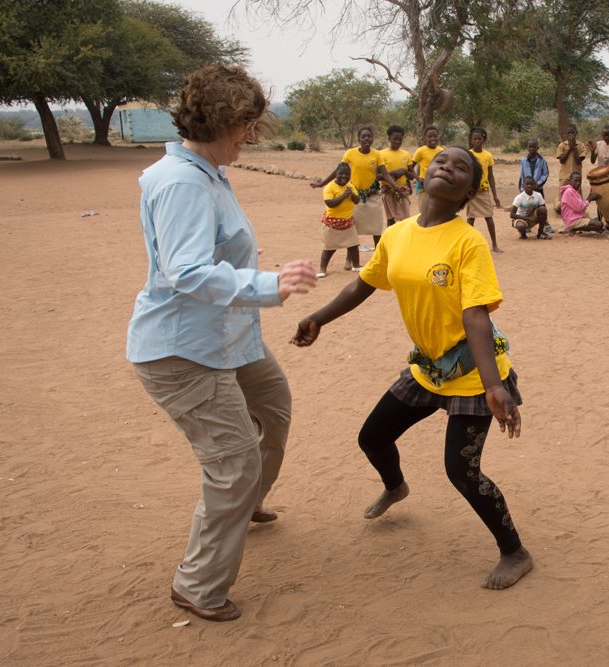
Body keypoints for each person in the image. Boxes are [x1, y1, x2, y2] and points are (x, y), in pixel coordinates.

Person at [290, 146, 533, 590]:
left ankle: (514, 551)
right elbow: (363, 284)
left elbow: (476, 315)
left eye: (462, 167)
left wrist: (495, 386)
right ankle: (396, 486)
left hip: (473, 372)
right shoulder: (397, 233)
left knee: (462, 472)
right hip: (428, 369)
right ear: (423, 173)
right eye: (442, 161)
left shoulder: (468, 241)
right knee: (373, 437)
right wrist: (317, 319)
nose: (449, 167)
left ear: (468, 191)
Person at [126, 64, 318, 622]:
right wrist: (268, 284)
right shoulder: (183, 181)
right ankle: (197, 585)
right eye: (245, 127)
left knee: (273, 408)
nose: (249, 138)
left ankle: (247, 502)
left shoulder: (205, 171)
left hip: (226, 336)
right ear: (219, 122)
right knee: (233, 463)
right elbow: (185, 271)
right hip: (182, 351)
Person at [319, 126, 406, 249]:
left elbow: (385, 174)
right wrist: (322, 183)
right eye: (363, 136)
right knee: (352, 228)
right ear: (358, 139)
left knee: (376, 228)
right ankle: (350, 259)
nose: (366, 139)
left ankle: (378, 255)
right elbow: (338, 170)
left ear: (372, 138)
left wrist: (396, 187)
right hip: (355, 196)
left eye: (369, 136)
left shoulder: (377, 154)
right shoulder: (350, 153)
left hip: (373, 195)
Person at [316, 162, 362, 276]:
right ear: (336, 174)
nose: (344, 176)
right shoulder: (329, 187)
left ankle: (356, 265)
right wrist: (344, 196)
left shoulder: (350, 186)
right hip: (332, 222)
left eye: (347, 174)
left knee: (353, 245)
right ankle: (322, 270)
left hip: (347, 221)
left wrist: (352, 195)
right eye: (341, 174)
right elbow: (330, 203)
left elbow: (357, 200)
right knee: (329, 248)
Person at [467, 126, 503, 253]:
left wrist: (495, 195)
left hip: (484, 191)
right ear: (471, 141)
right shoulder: (469, 155)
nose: (477, 141)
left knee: (489, 217)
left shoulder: (488, 155)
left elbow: (491, 176)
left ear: (484, 140)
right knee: (471, 219)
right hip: (472, 192)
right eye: (474, 139)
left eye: (479, 139)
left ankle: (494, 245)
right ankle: (467, 245)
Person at [378, 125, 414, 227]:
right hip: (388, 191)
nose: (397, 141)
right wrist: (393, 173)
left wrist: (404, 172)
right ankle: (390, 241)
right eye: (394, 139)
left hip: (402, 191)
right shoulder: (381, 154)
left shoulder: (406, 154)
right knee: (391, 220)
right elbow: (377, 176)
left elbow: (411, 176)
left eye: (400, 139)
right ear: (389, 138)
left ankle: (404, 241)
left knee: (406, 220)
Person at [554, 124, 588, 211]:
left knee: (576, 195)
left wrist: (574, 148)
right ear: (565, 134)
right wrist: (569, 149)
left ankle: (577, 209)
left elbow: (578, 161)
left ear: (576, 133)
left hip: (576, 176)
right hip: (564, 176)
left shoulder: (581, 146)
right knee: (563, 196)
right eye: (568, 133)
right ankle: (563, 210)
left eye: (572, 132)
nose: (570, 135)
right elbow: (562, 160)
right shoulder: (562, 145)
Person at [411, 125, 444, 208]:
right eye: (429, 136)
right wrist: (418, 178)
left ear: (438, 137)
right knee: (424, 211)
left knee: (437, 211)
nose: (432, 138)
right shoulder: (420, 151)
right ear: (425, 138)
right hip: (424, 185)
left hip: (438, 185)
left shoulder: (442, 151)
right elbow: (410, 167)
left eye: (435, 136)